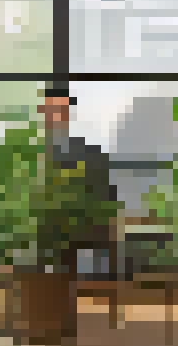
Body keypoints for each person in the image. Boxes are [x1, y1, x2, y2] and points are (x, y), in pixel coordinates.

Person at [37, 86, 119, 276]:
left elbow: (105, 209)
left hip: (81, 249)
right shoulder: (27, 156)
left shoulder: (91, 156)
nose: (54, 118)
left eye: (60, 111)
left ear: (68, 115)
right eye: (49, 111)